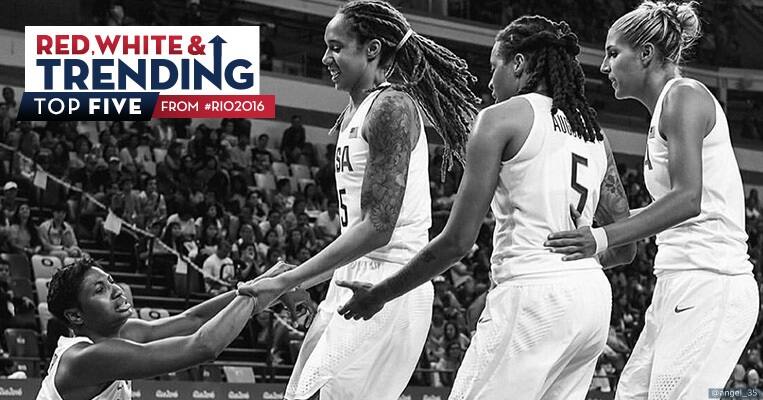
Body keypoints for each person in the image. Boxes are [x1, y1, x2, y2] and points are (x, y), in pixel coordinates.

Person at [336, 15, 636, 400]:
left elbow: (457, 242)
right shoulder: (595, 135)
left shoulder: (499, 120)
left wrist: (380, 293)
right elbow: (625, 248)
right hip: (592, 300)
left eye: (494, 67)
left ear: (518, 64)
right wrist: (568, 266)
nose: (490, 82)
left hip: (533, 296)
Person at [245, 0, 479, 398]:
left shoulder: (392, 106)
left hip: (390, 281)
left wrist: (289, 279)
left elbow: (378, 228)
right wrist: (302, 280)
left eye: (336, 47)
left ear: (372, 50)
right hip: (356, 275)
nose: (325, 58)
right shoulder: (357, 111)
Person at [543, 2, 759, 399]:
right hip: (677, 281)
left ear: (645, 53)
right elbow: (679, 205)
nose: (604, 67)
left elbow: (688, 200)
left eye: (613, 53)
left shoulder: (684, 97)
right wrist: (597, 231)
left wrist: (603, 237)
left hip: (711, 281)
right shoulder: (664, 111)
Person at [36, 258, 259, 400]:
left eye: (111, 281)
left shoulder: (123, 333)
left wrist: (257, 285)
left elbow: (194, 318)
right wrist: (258, 295)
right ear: (75, 315)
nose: (117, 290)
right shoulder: (86, 358)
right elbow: (203, 346)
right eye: (100, 289)